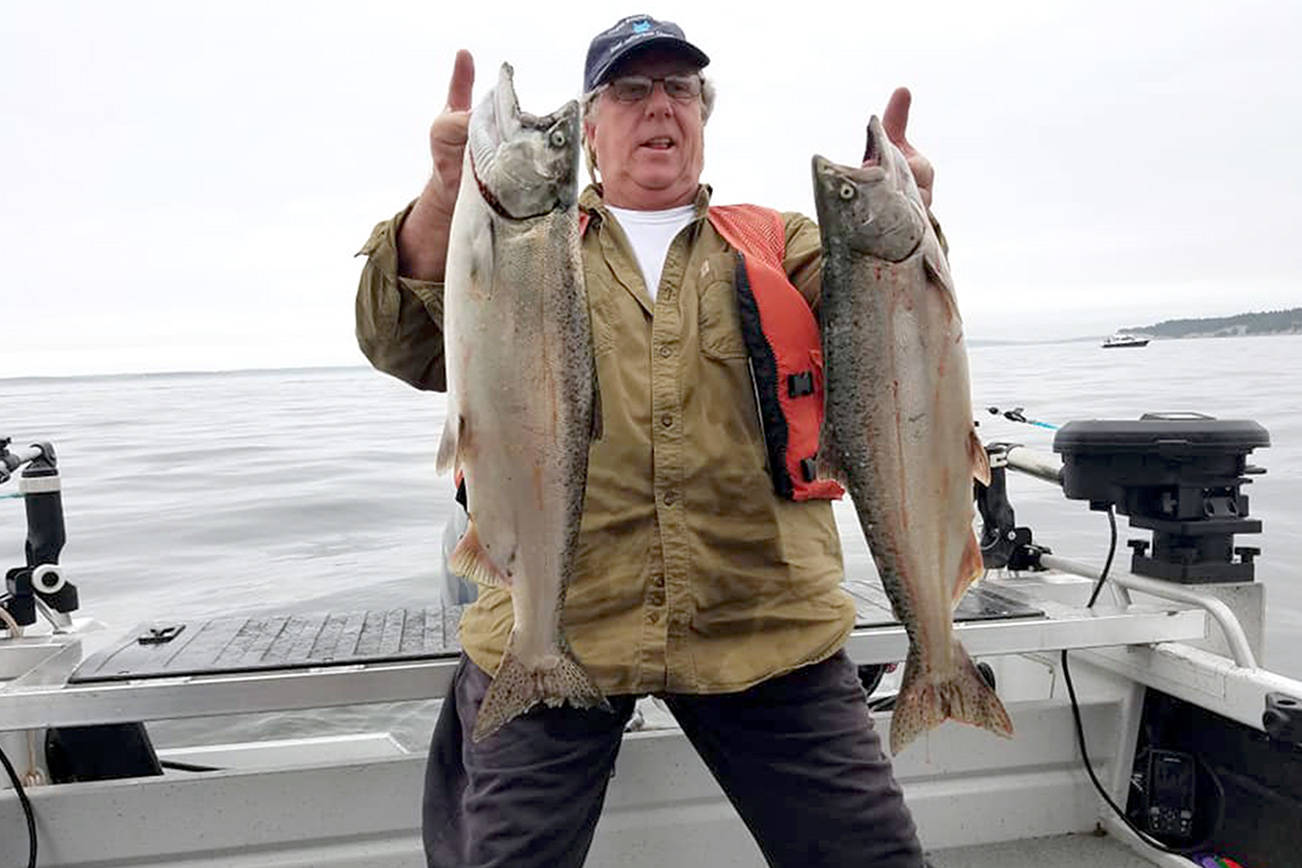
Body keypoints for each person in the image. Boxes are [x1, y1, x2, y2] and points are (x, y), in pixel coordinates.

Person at [355, 14, 940, 868]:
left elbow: (901, 343)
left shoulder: (786, 244)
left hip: (765, 624)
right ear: (589, 129)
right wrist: (446, 197)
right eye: (630, 91)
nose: (657, 107)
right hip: (553, 621)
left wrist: (909, 217)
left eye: (678, 90)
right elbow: (397, 340)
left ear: (703, 117)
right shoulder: (513, 241)